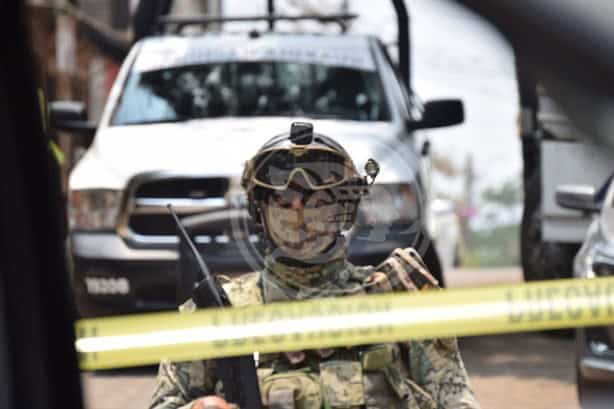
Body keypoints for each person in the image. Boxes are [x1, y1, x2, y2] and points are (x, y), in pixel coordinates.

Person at [149, 122, 480, 409]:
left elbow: (454, 398)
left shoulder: (399, 297)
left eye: (317, 201)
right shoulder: (216, 313)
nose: (299, 214)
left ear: (344, 212)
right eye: (283, 201)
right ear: (260, 213)